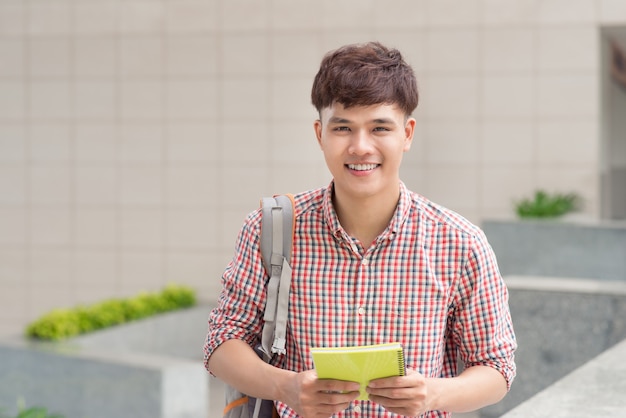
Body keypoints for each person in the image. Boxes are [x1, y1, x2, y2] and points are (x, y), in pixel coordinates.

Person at [204, 41, 516, 418]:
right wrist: (286, 386)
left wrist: (432, 394)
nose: (360, 146)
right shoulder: (270, 229)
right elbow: (222, 341)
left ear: (408, 133)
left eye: (380, 127)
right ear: (320, 134)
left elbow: (496, 367)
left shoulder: (460, 242)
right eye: (343, 128)